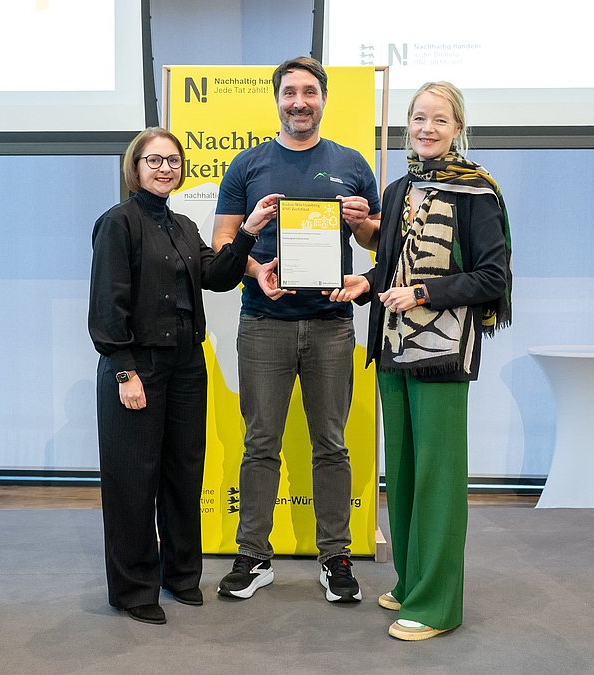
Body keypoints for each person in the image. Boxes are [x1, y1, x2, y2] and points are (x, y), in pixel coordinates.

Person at [328, 82, 511, 639]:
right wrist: (364, 282)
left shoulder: (477, 193)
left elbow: (492, 278)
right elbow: (391, 269)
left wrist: (426, 294)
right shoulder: (400, 187)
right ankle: (411, 581)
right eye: (418, 118)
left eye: (439, 119)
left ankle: (436, 606)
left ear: (458, 128)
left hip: (442, 355)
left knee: (437, 478)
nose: (427, 128)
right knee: (403, 474)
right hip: (392, 350)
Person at [89, 127, 280, 624]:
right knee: (133, 480)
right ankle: (135, 590)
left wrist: (248, 234)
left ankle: (180, 576)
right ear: (135, 168)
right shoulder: (118, 223)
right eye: (154, 160)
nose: (165, 168)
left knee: (181, 475)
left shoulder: (182, 226)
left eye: (173, 161)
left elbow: (217, 278)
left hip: (186, 369)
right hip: (137, 367)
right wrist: (124, 371)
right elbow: (108, 308)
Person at [212, 56, 380, 603]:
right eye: (290, 92)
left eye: (309, 91)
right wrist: (257, 267)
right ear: (277, 99)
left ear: (324, 99)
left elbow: (378, 241)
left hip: (332, 323)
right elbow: (222, 247)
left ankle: (335, 557)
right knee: (261, 442)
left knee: (331, 443)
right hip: (264, 322)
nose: (299, 101)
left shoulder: (352, 163)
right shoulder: (248, 165)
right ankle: (253, 557)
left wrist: (364, 224)